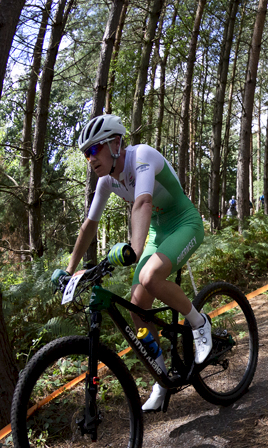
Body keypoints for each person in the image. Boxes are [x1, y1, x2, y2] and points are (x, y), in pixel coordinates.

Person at [53, 114, 211, 413]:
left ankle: (200, 324)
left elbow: (143, 204)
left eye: (93, 149)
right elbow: (89, 225)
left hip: (184, 222)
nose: (89, 158)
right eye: (85, 153)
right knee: (137, 305)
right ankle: (162, 381)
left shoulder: (142, 156)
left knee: (150, 276)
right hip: (158, 230)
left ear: (114, 143)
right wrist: (69, 269)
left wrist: (134, 251)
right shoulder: (106, 181)